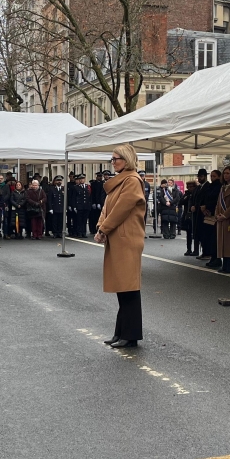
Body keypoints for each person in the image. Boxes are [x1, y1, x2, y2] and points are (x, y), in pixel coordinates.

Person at [96, 145, 147, 349]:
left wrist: (104, 229)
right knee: (122, 288)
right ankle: (121, 332)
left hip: (127, 239)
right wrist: (101, 225)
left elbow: (121, 209)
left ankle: (131, 335)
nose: (113, 162)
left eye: (115, 159)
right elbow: (107, 208)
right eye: (112, 159)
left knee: (129, 288)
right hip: (119, 237)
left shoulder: (132, 180)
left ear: (126, 160)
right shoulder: (120, 181)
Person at [212, 166, 230, 275]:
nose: (225, 175)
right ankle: (225, 265)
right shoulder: (222, 187)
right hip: (221, 219)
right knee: (223, 243)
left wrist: (225, 215)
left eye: (228, 173)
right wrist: (217, 215)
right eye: (224, 173)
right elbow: (218, 203)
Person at [199, 169, 223, 265]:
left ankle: (217, 258)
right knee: (209, 237)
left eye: (214, 176)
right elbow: (205, 198)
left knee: (215, 238)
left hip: (215, 213)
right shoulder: (210, 187)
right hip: (207, 213)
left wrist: (207, 206)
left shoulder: (219, 187)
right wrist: (203, 207)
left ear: (219, 177)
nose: (212, 178)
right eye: (211, 176)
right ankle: (212, 256)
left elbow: (217, 200)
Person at [184, 169, 207, 256]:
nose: (199, 178)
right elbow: (188, 200)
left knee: (202, 234)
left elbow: (203, 200)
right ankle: (192, 250)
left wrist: (196, 206)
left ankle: (204, 252)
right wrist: (192, 206)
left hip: (202, 213)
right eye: (198, 176)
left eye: (201, 176)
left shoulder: (207, 186)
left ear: (205, 176)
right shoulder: (198, 188)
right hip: (193, 214)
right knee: (193, 233)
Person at [69, 173, 92, 237]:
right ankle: (79, 233)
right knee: (79, 220)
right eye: (80, 179)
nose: (82, 180)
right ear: (79, 180)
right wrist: (74, 206)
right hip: (79, 206)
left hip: (86, 206)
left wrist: (89, 205)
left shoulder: (87, 187)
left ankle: (84, 232)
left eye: (83, 179)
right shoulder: (76, 187)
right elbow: (73, 198)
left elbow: (89, 197)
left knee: (84, 220)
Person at [89, 171, 106, 237]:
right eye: (98, 176)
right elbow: (93, 194)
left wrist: (99, 203)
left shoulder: (103, 183)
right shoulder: (93, 184)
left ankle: (98, 229)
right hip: (94, 202)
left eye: (100, 176)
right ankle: (93, 229)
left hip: (100, 202)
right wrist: (93, 202)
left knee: (100, 216)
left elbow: (101, 194)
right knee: (94, 217)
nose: (100, 177)